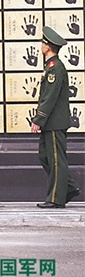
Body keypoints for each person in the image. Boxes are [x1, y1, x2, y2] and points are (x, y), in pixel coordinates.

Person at [31, 26, 81, 208]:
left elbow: (49, 98)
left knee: (56, 160)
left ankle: (55, 198)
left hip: (54, 122)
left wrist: (38, 119)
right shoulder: (51, 67)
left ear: (48, 46)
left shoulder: (55, 69)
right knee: (45, 157)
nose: (40, 46)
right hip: (50, 123)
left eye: (42, 43)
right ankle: (69, 187)